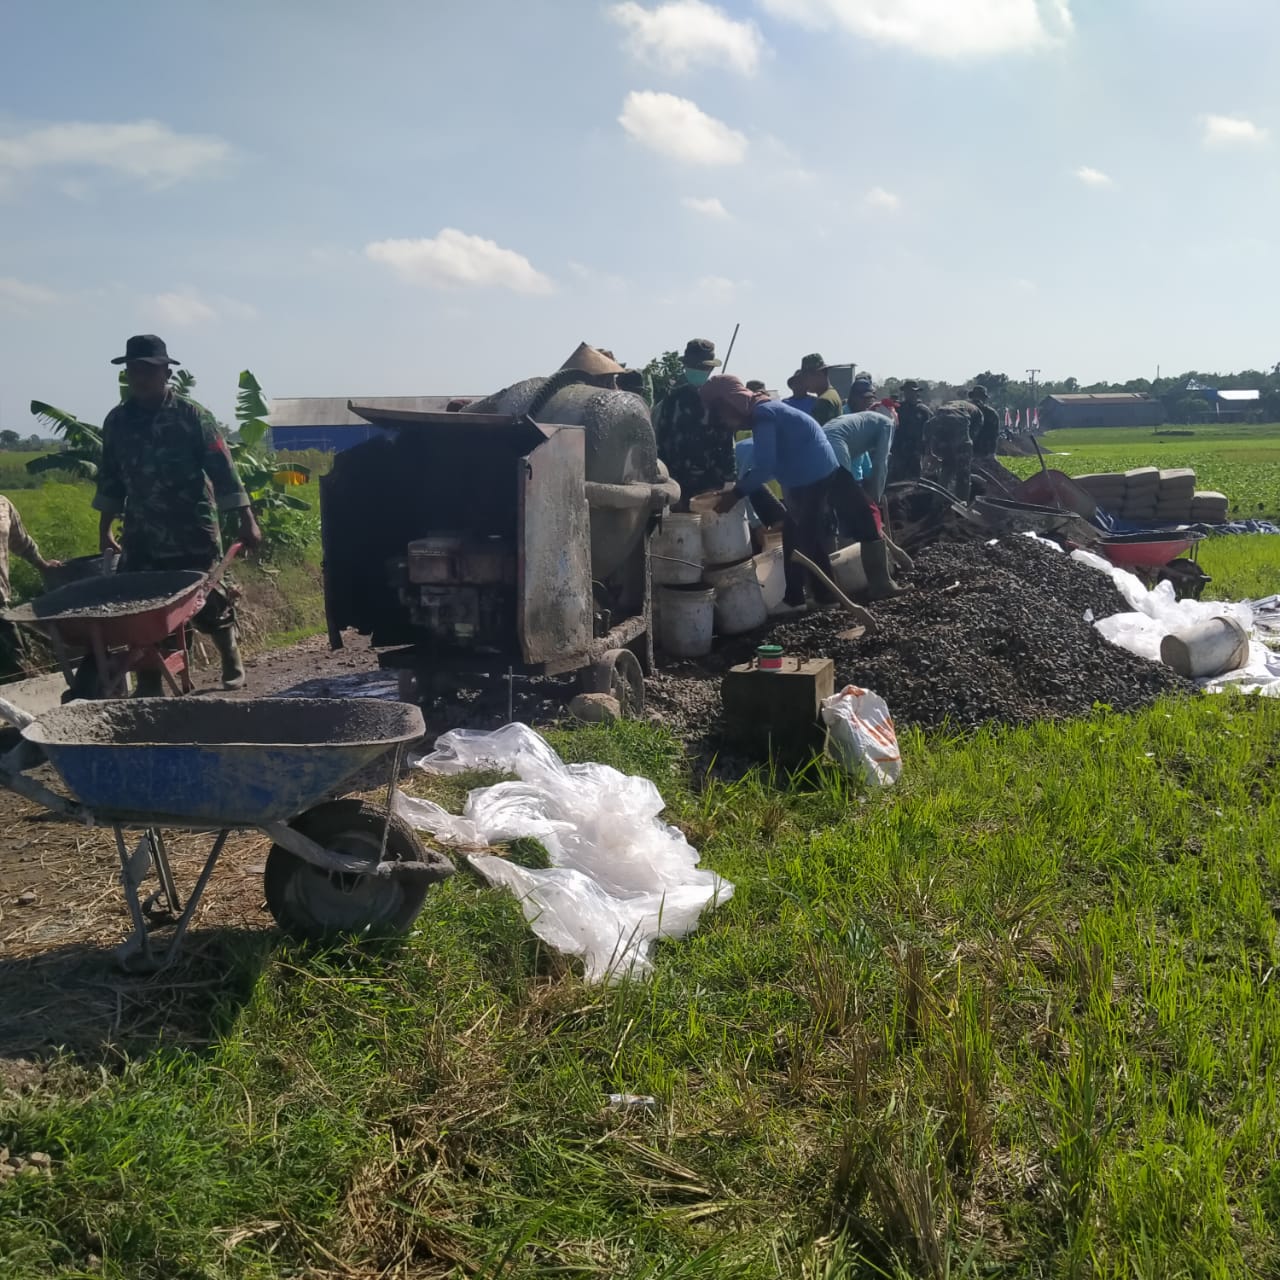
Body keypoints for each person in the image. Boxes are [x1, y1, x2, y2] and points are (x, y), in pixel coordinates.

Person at [93, 334, 261, 694]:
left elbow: (224, 470)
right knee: (142, 607)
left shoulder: (191, 415)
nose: (140, 377)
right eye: (133, 370)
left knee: (206, 597)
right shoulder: (118, 421)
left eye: (148, 370)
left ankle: (229, 655)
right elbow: (110, 479)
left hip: (192, 526)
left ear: (166, 373)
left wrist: (247, 520)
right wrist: (105, 528)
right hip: (141, 530)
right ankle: (150, 680)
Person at [698, 376, 903, 604]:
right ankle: (811, 597)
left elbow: (765, 466)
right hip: (808, 476)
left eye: (722, 414)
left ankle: (825, 595)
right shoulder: (765, 412)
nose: (726, 422)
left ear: (731, 402)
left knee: (811, 536)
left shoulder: (764, 415)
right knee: (802, 536)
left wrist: (736, 494)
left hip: (817, 474)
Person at [652, 338, 732, 508]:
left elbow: (726, 446)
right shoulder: (670, 401)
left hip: (710, 486)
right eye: (695, 366)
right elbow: (659, 442)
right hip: (675, 484)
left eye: (703, 367)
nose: (699, 371)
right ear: (686, 366)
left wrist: (729, 482)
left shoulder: (718, 402)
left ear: (711, 369)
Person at [0, 496, 60, 676]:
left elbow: (21, 542)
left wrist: (43, 565)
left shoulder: (3, 505)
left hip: (0, 601)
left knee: (17, 665)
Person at [890, 379, 933, 483]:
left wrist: (927, 451)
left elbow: (930, 432)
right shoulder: (898, 408)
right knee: (896, 480)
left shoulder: (924, 411)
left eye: (911, 391)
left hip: (916, 452)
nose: (908, 393)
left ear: (916, 392)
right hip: (899, 450)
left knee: (914, 481)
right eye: (906, 391)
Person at [793, 353, 844, 425]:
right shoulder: (832, 394)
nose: (805, 382)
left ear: (819, 374)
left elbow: (817, 430)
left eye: (806, 377)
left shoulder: (824, 401)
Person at [968, 385, 1001, 457]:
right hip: (978, 452)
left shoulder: (990, 413)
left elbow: (994, 436)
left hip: (979, 452)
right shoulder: (991, 413)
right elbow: (994, 436)